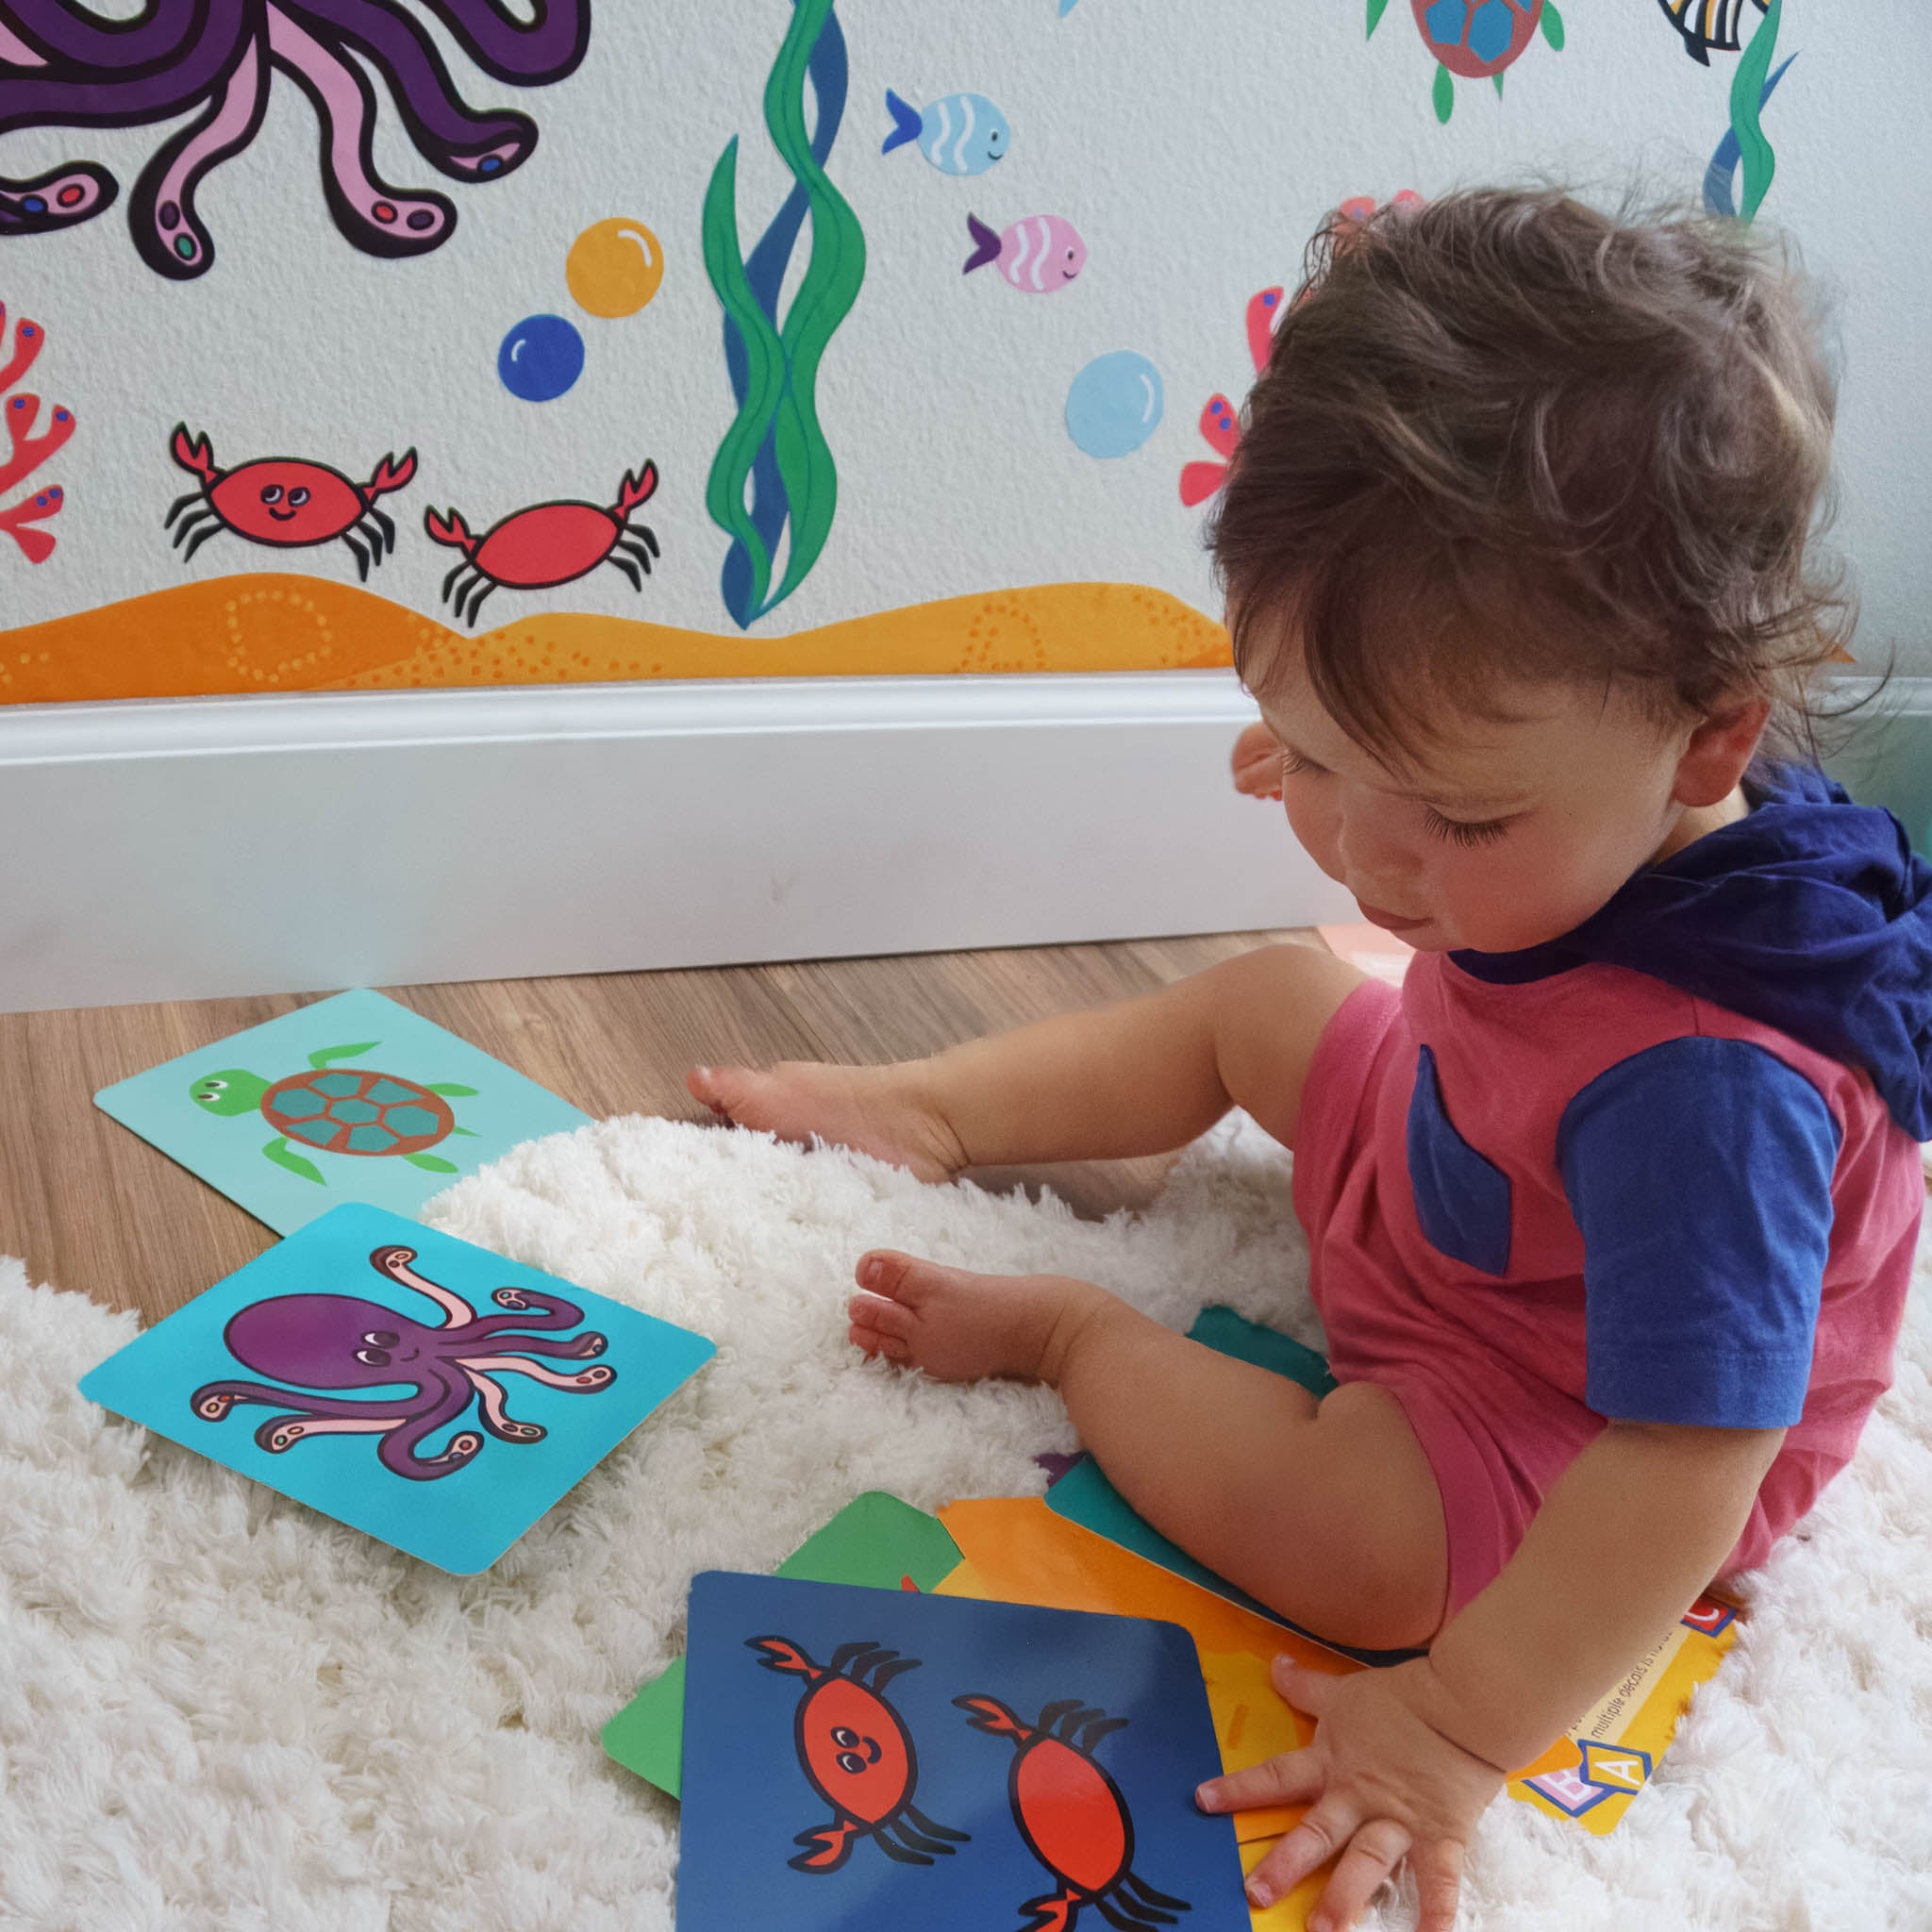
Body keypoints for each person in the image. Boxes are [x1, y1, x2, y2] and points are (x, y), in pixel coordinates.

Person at [688, 189, 1932, 1931]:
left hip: (1567, 1413)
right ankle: (928, 1109)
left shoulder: (1711, 1090)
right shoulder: (1570, 790)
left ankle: (1080, 1333)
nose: (1367, 854)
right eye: (1322, 749)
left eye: (1459, 813)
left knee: (1369, 1563)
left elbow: (1686, 1466)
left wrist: (1451, 1729)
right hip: (1467, 1164)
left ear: (1707, 735)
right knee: (1273, 991)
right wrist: (1354, 758)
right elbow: (1413, 840)